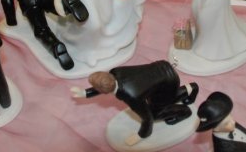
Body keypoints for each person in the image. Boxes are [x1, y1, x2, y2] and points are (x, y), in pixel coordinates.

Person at [71, 60, 199, 146]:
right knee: (163, 98)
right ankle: (192, 88)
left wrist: (141, 135)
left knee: (155, 113)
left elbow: (147, 118)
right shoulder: (114, 72)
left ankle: (184, 112)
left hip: (167, 81)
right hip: (163, 68)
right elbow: (104, 83)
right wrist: (86, 93)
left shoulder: (132, 96)